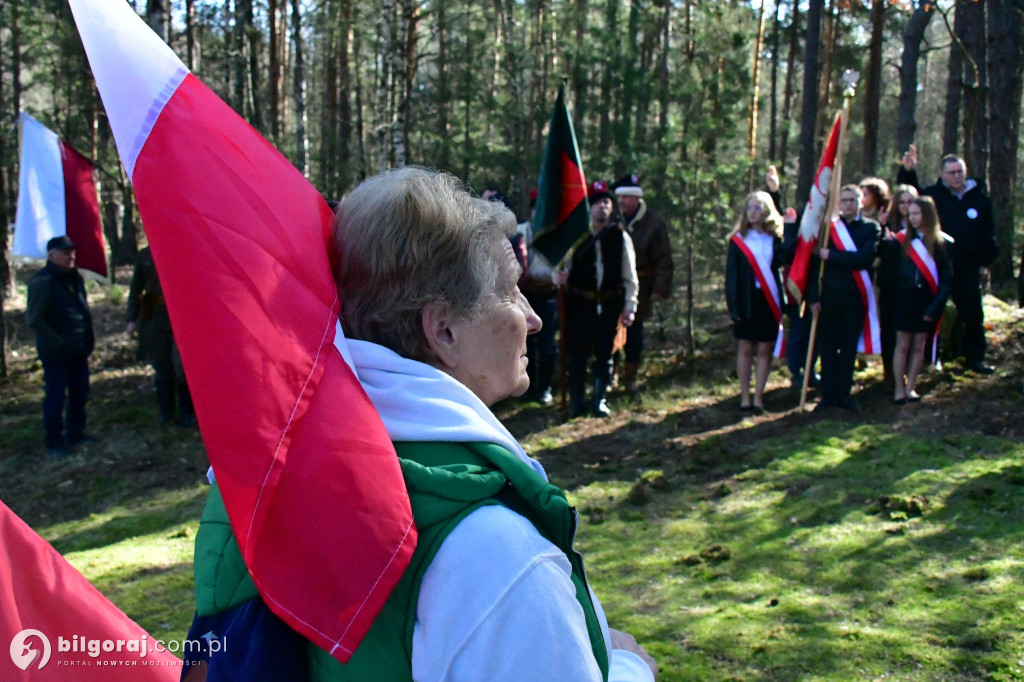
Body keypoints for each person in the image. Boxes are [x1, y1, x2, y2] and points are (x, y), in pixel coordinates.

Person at [185, 168, 658, 681]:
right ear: (444, 330)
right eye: (511, 290)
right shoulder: (493, 553)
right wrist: (631, 668)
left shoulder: (269, 480)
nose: (533, 316)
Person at [896, 146, 998, 374]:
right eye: (951, 172)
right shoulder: (934, 196)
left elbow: (988, 235)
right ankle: (930, 360)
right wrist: (908, 171)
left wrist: (985, 261)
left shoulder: (981, 201)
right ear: (942, 175)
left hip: (966, 267)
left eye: (960, 171)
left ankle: (976, 358)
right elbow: (912, 198)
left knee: (973, 314)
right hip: (934, 265)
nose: (957, 176)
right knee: (930, 313)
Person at [560, 181, 639, 418]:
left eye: (606, 202)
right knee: (578, 354)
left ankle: (599, 399)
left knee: (605, 353)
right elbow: (562, 267)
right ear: (589, 207)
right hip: (579, 305)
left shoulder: (619, 236)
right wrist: (559, 276)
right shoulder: (576, 237)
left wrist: (630, 305)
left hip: (608, 304)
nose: (602, 207)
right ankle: (577, 401)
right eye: (597, 203)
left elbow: (630, 275)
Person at [807, 185, 881, 413]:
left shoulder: (871, 228)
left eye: (853, 200)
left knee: (848, 348)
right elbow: (813, 265)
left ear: (862, 202)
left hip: (854, 297)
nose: (848, 204)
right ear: (838, 203)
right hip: (828, 296)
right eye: (845, 200)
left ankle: (844, 394)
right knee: (827, 347)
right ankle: (828, 395)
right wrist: (812, 297)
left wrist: (831, 255)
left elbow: (863, 259)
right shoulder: (828, 229)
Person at [25, 236, 96, 456]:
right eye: (65, 253)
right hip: (56, 352)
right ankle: (54, 441)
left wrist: (87, 339)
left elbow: (81, 311)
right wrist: (58, 342)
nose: (71, 256)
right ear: (52, 255)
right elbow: (35, 319)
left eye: (72, 252)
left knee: (80, 392)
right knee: (56, 395)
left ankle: (76, 433)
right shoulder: (43, 282)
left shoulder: (75, 279)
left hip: (78, 349)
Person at [884, 197, 952, 404]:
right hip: (904, 299)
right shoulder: (900, 241)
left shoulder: (940, 243)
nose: (912, 218)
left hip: (926, 299)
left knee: (919, 344)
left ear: (928, 215)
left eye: (916, 213)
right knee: (902, 344)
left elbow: (946, 277)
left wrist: (936, 306)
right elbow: (891, 274)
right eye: (909, 214)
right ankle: (898, 388)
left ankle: (911, 387)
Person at [611, 174, 673, 394]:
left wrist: (659, 290)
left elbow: (664, 260)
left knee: (634, 333)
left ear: (636, 198)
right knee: (610, 330)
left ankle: (631, 376)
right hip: (611, 287)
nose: (622, 202)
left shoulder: (654, 223)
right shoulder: (613, 219)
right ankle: (612, 374)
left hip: (641, 287)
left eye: (627, 197)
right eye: (620, 197)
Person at [725, 192, 785, 414]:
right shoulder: (738, 240)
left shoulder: (775, 239)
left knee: (764, 348)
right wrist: (734, 306)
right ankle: (744, 398)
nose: (752, 212)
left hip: (768, 301)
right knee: (745, 348)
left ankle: (759, 398)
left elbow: (785, 260)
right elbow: (731, 278)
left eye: (757, 208)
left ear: (766, 211)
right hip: (746, 300)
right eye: (749, 207)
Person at [126, 246, 196, 426]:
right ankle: (167, 412)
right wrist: (131, 319)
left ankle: (187, 412)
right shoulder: (144, 256)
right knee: (162, 366)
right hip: (154, 320)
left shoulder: (182, 249)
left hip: (181, 317)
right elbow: (136, 288)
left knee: (182, 367)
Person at [876, 185, 920, 388]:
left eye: (910, 201)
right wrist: (882, 230)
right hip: (891, 286)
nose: (905, 206)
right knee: (889, 330)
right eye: (901, 202)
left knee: (911, 333)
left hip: (914, 288)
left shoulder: (922, 226)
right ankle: (889, 375)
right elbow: (878, 253)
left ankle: (909, 377)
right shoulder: (888, 225)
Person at [518, 190, 559, 404]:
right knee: (525, 347)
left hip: (547, 296)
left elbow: (560, 269)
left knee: (548, 347)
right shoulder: (519, 232)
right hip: (525, 296)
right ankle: (528, 389)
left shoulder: (556, 236)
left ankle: (545, 388)